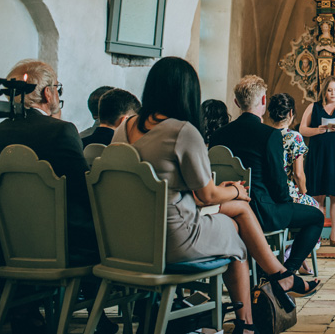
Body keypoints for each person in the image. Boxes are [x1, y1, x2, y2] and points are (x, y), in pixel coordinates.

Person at [114, 58, 318, 334]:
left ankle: (275, 281)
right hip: (172, 239)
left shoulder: (122, 129)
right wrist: (236, 189)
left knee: (238, 216)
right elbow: (205, 195)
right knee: (235, 233)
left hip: (127, 237)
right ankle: (253, 312)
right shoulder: (183, 132)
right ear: (187, 92)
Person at [0, 60, 118, 334]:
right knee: (108, 231)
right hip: (64, 247)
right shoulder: (61, 130)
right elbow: (84, 191)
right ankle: (101, 314)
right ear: (47, 93)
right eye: (58, 88)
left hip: (10, 246)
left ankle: (30, 309)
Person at [209, 76, 324, 276]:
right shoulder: (268, 135)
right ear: (263, 101)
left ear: (237, 103)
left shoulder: (218, 135)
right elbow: (278, 182)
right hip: (263, 212)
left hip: (226, 210)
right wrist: (286, 204)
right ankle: (287, 272)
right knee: (316, 217)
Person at [299, 75, 335, 246]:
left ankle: (334, 235)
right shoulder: (314, 107)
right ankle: (316, 235)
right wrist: (317, 130)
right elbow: (302, 129)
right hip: (319, 154)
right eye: (329, 90)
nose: (332, 93)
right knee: (317, 195)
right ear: (324, 91)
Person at [269, 94, 318, 209]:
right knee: (316, 207)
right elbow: (298, 174)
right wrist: (304, 192)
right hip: (287, 194)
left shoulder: (265, 134)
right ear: (291, 113)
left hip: (267, 192)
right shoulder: (294, 137)